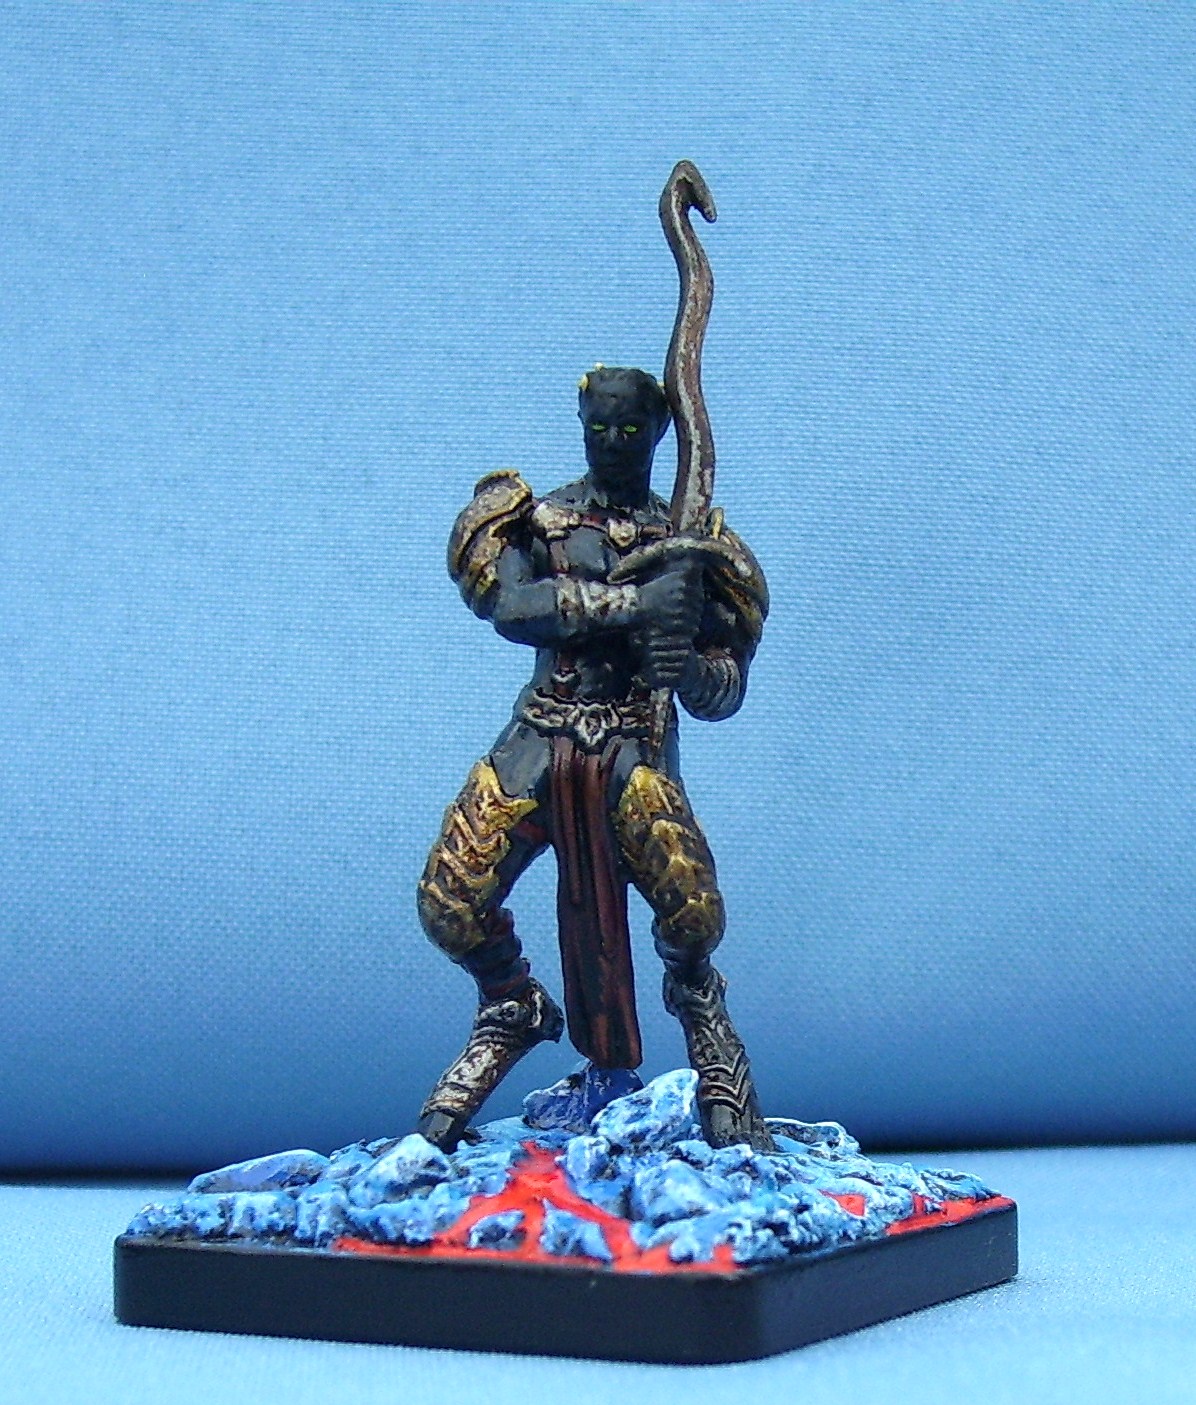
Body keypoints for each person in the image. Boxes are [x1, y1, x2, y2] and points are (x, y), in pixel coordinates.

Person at [415, 365, 774, 1152]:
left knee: (693, 913)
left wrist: (686, 666)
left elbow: (724, 685)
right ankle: (511, 1003)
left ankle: (703, 1016)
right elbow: (511, 605)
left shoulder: (692, 544)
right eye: (599, 428)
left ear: (659, 434)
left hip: (632, 744)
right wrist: (632, 604)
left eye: (631, 430)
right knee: (450, 901)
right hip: (540, 737)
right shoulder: (539, 520)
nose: (613, 444)